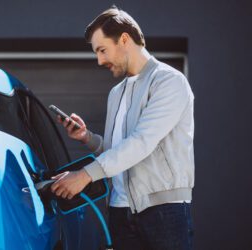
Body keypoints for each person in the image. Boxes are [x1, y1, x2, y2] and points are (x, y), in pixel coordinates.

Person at [50, 6, 195, 250]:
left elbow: (141, 142)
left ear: (124, 39)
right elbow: (118, 150)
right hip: (119, 211)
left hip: (162, 213)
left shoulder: (169, 82)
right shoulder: (116, 93)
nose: (99, 60)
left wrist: (85, 175)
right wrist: (87, 138)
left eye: (102, 50)